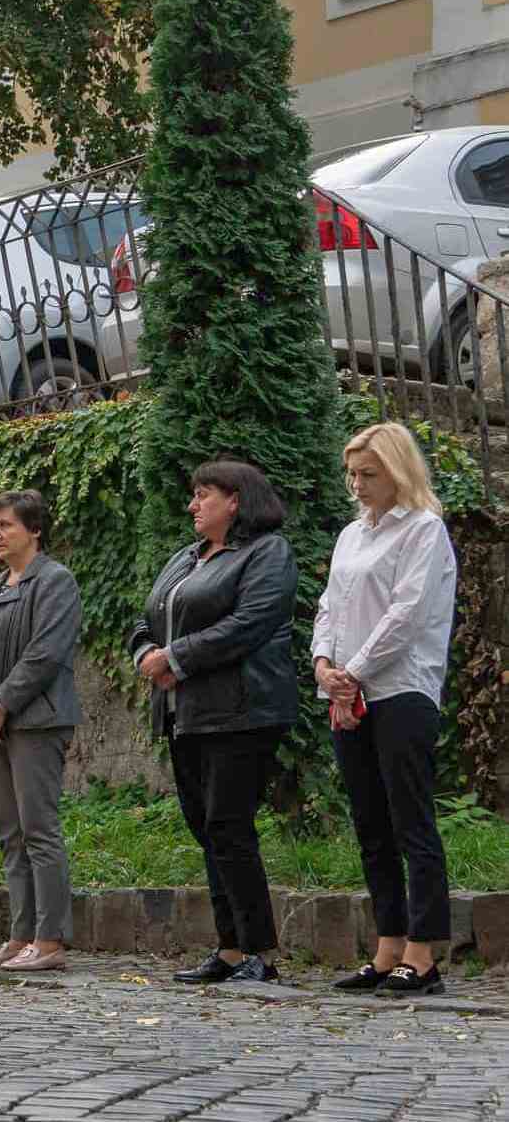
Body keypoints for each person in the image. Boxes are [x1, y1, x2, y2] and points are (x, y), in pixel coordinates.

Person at [132, 459, 301, 986]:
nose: (192, 505)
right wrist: (145, 653)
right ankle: (229, 949)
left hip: (242, 712)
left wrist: (176, 655)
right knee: (207, 829)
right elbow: (146, 616)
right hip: (186, 715)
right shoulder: (186, 558)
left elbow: (250, 623)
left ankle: (261, 953)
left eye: (203, 495)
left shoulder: (267, 553)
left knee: (230, 827)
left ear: (236, 500)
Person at [316, 423, 458, 996]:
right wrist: (325, 663)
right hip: (351, 692)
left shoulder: (424, 531)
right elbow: (329, 605)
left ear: (398, 470)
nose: (357, 485)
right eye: (352, 474)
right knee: (370, 822)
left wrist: (354, 672)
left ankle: (424, 953)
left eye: (369, 474)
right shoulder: (351, 535)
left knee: (410, 820)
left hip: (400, 688)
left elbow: (407, 614)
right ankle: (388, 944)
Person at [0, 491, 83, 973]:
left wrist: (3, 705)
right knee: (10, 832)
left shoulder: (55, 581)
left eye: (5, 525)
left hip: (36, 721)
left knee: (38, 829)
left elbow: (45, 654)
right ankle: (20, 934)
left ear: (34, 530)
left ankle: (50, 940)